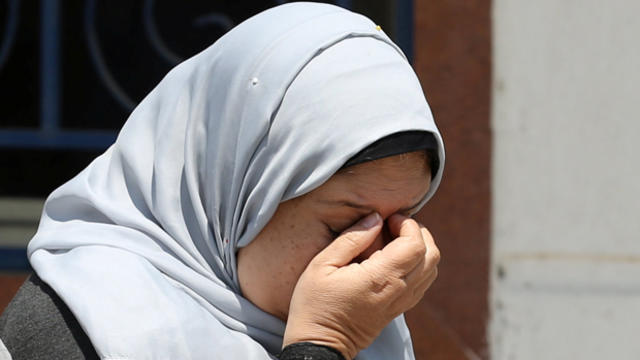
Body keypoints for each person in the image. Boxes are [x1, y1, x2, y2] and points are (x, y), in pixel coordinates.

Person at [0, 2, 444, 360]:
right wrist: (323, 343)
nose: (376, 261)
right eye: (342, 227)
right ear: (240, 198)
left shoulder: (373, 330)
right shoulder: (84, 326)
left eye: (401, 222)